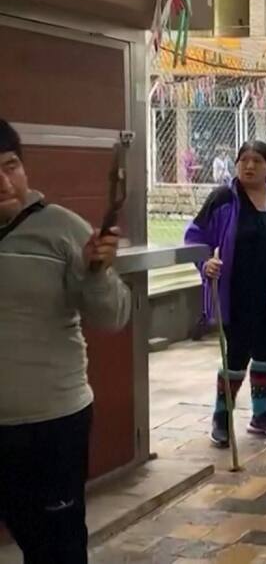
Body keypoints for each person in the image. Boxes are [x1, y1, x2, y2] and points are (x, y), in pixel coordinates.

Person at [0, 119, 130, 562]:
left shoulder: (61, 229)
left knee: (57, 547)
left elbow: (112, 316)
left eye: (11, 165)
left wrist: (98, 272)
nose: (4, 181)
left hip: (52, 423)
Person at [185, 141, 266, 447]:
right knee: (237, 353)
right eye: (244, 160)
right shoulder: (223, 199)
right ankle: (221, 416)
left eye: (257, 160)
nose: (249, 166)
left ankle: (262, 415)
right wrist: (206, 263)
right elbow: (194, 237)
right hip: (236, 291)